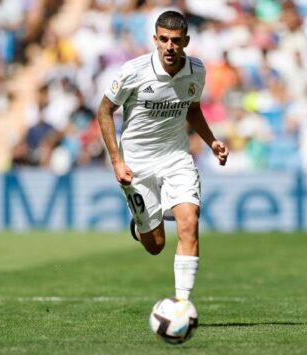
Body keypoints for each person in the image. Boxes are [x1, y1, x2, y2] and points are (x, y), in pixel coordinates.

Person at [97, 11, 228, 300]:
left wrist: (211, 142)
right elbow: (105, 110)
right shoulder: (133, 71)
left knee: (189, 222)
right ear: (155, 39)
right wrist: (117, 160)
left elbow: (192, 109)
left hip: (175, 157)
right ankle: (143, 222)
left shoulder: (197, 71)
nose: (170, 46)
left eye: (176, 41)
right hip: (136, 164)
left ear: (186, 41)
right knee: (155, 245)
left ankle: (182, 305)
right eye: (164, 40)